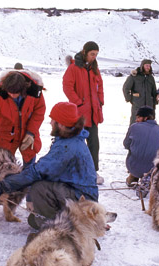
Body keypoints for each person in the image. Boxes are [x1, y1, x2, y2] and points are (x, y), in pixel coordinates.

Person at [0, 102, 98, 229]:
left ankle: (55, 230)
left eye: (53, 120)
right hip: (76, 192)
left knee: (39, 187)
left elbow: (37, 172)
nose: (50, 123)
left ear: (60, 124)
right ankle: (65, 220)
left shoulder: (67, 147)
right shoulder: (69, 140)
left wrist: (3, 186)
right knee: (34, 220)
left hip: (82, 199)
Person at [63, 41, 105, 185]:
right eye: (92, 54)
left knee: (94, 143)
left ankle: (93, 171)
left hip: (93, 112)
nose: (94, 57)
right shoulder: (74, 68)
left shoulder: (94, 68)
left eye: (96, 54)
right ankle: (76, 171)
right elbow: (67, 87)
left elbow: (100, 86)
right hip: (79, 114)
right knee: (77, 143)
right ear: (85, 52)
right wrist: (77, 102)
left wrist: (100, 101)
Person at [123, 106, 159, 187]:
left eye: (138, 117)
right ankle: (150, 179)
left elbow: (126, 144)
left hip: (133, 167)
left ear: (146, 118)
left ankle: (133, 177)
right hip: (154, 171)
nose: (136, 120)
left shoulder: (134, 127)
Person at [122, 59, 157, 125]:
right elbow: (125, 88)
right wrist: (129, 98)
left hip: (149, 106)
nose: (148, 67)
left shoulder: (151, 78)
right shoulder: (134, 76)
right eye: (146, 65)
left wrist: (154, 102)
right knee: (135, 122)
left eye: (149, 66)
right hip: (137, 105)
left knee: (149, 124)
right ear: (142, 66)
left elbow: (154, 91)